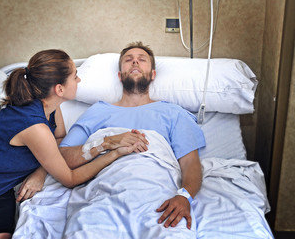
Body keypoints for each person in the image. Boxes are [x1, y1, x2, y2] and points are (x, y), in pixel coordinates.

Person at [0, 49, 144, 239]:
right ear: (59, 88)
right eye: (75, 76)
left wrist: (41, 172)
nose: (79, 80)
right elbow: (70, 179)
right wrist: (114, 152)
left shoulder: (50, 107)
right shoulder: (35, 127)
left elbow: (59, 139)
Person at [59, 42, 206, 230]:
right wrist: (107, 142)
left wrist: (184, 196)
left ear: (153, 75)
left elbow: (190, 163)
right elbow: (63, 158)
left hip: (160, 200)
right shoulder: (98, 111)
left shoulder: (173, 112)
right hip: (103, 196)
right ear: (120, 76)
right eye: (128, 60)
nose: (135, 62)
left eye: (142, 60)